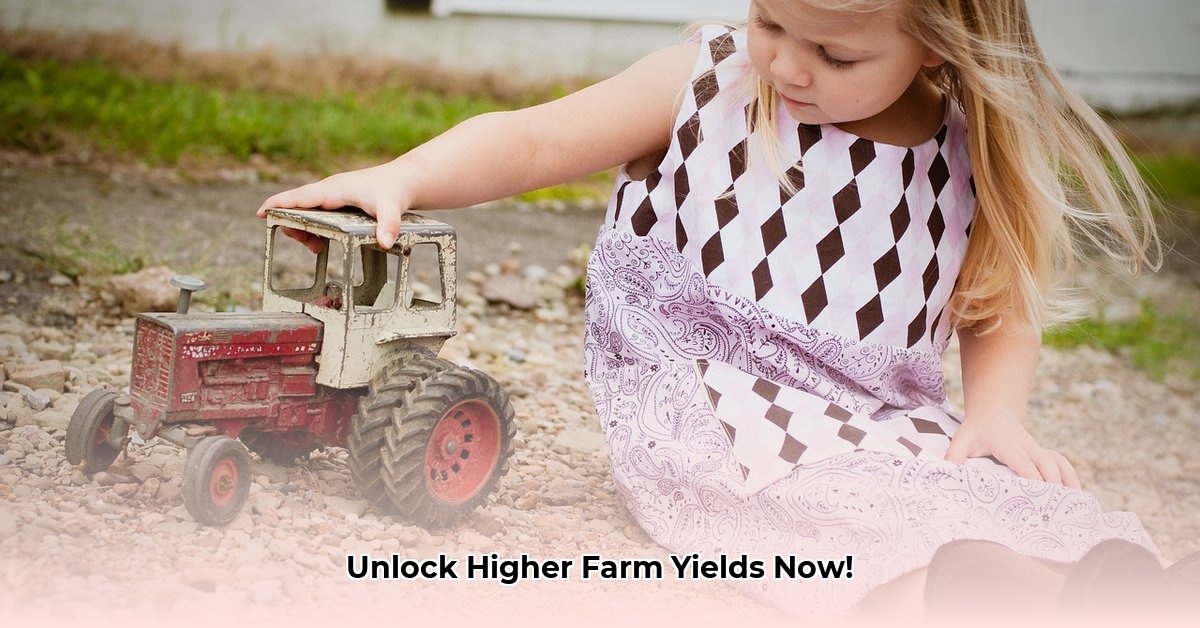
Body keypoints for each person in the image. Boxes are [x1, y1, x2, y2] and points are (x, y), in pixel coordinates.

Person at [260, 0, 1194, 622]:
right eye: (770, 18)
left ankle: (1094, 587)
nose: (787, 60)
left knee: (992, 487)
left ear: (939, 44)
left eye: (834, 52)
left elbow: (997, 302)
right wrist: (404, 174)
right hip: (716, 393)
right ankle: (946, 596)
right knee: (840, 512)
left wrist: (996, 415)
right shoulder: (711, 84)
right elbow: (536, 137)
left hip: (877, 411)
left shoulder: (962, 151)